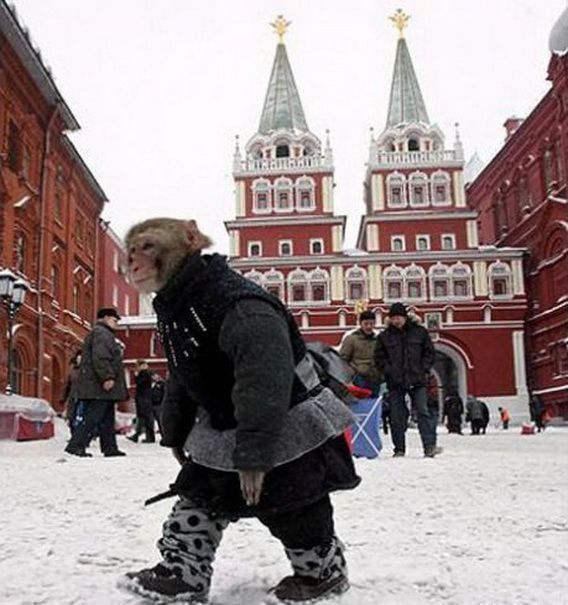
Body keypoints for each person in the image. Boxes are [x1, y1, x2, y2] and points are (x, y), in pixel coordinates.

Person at [121, 217, 360, 604]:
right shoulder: (181, 303)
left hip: (284, 420)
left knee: (294, 505)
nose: (134, 260)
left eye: (148, 246)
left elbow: (264, 381)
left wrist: (253, 452)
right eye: (131, 250)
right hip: (229, 418)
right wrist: (176, 430)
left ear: (190, 238)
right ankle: (183, 573)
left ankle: (322, 573)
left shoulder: (237, 303)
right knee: (198, 495)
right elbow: (186, 368)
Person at [374, 302, 440, 458]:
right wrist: (389, 372)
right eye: (394, 318)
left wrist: (423, 369)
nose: (397, 321)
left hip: (417, 380)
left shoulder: (420, 332)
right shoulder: (385, 336)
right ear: (390, 319)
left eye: (399, 317)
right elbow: (379, 358)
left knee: (423, 411)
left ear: (405, 317)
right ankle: (399, 448)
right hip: (395, 382)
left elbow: (429, 353)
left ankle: (429, 446)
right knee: (397, 416)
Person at [64, 307, 128, 458]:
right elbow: (101, 357)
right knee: (93, 416)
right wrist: (107, 377)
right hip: (98, 385)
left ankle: (109, 447)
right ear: (105, 318)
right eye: (114, 319)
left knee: (106, 416)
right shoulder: (102, 334)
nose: (117, 323)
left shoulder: (102, 333)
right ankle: (76, 445)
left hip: (97, 385)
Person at [339, 310, 382, 397]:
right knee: (361, 405)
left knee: (373, 404)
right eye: (366, 323)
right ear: (360, 324)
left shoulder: (378, 340)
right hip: (358, 378)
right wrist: (349, 375)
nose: (369, 326)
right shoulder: (351, 339)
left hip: (375, 378)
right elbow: (342, 360)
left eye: (371, 323)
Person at [128, 360, 155, 443]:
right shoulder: (149, 373)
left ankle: (140, 435)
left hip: (143, 397)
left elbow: (140, 383)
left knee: (144, 417)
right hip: (146, 397)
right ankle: (143, 435)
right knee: (145, 417)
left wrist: (136, 376)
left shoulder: (144, 373)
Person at [59, 350, 82, 436]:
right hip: (73, 397)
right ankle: (74, 436)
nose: (79, 359)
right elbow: (67, 385)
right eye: (78, 358)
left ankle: (83, 439)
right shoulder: (72, 371)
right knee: (72, 418)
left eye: (81, 358)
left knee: (83, 419)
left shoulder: (88, 371)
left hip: (84, 398)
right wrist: (63, 398)